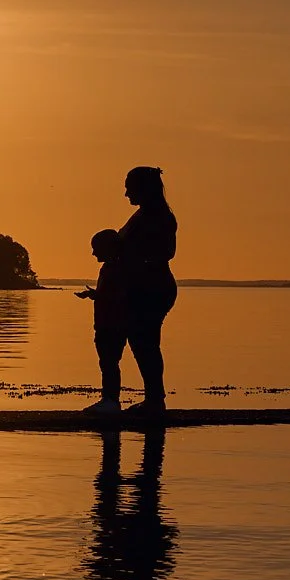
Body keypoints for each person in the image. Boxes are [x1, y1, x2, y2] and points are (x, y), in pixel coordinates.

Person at [117, 166, 178, 415]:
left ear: (143, 189)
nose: (126, 194)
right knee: (142, 341)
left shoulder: (158, 216)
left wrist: (136, 261)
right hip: (145, 286)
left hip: (154, 287)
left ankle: (155, 400)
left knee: (146, 342)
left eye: (129, 187)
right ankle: (154, 398)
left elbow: (166, 252)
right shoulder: (144, 215)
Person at [75, 229, 128, 417]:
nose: (93, 253)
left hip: (112, 324)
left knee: (109, 362)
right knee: (107, 362)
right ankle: (109, 399)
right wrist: (94, 294)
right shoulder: (112, 267)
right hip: (106, 323)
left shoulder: (117, 268)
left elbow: (117, 296)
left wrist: (97, 295)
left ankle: (111, 401)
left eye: (96, 248)